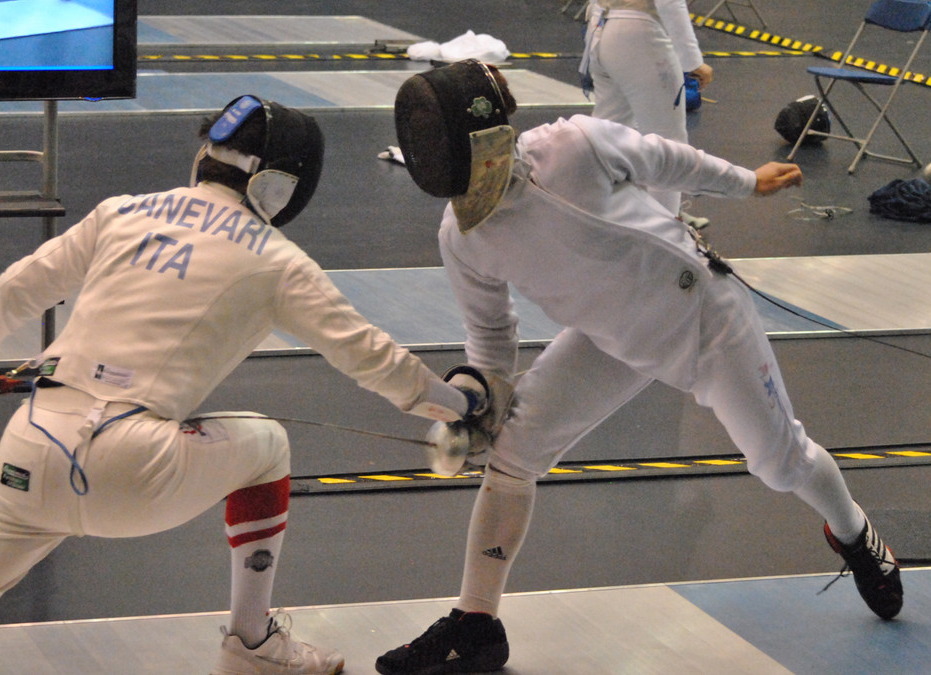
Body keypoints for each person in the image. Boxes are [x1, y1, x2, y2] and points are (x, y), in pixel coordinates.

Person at [0, 94, 491, 675]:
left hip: (30, 447)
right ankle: (253, 648)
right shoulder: (276, 261)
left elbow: (20, 285)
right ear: (284, 187)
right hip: (132, 471)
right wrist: (458, 403)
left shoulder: (122, 212)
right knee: (267, 444)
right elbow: (373, 358)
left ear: (205, 152)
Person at [376, 59, 903, 675]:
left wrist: (746, 181)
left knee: (780, 462)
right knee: (513, 451)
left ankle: (853, 531)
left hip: (704, 318)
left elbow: (665, 159)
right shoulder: (462, 237)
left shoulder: (573, 145)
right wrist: (478, 395)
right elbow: (491, 337)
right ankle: (477, 621)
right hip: (611, 340)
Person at [578, 0, 714, 225]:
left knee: (606, 133)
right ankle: (667, 228)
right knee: (669, 143)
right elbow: (670, 2)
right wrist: (692, 61)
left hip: (600, 25)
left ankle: (589, 213)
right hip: (638, 31)